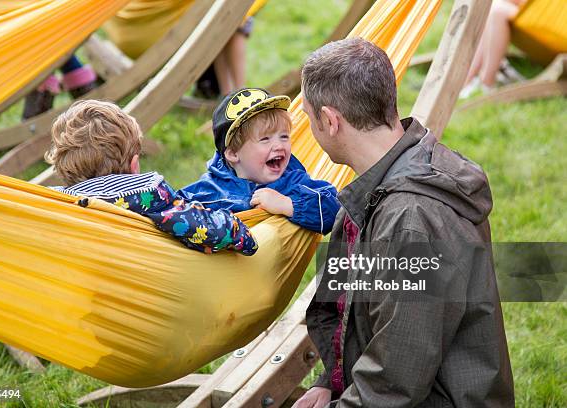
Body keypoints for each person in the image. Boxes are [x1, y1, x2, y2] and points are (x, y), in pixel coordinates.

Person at [293, 38, 514, 407]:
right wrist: (328, 382)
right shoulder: (386, 177)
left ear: (330, 121)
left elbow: (395, 383)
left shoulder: (411, 220)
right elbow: (364, 317)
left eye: (308, 115)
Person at [45, 100, 257, 256]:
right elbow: (202, 227)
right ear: (134, 164)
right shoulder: (146, 195)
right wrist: (237, 230)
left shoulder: (54, 204)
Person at [178, 88, 340, 235]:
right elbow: (173, 211)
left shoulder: (292, 181)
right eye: (265, 139)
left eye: (284, 136)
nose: (278, 145)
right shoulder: (210, 188)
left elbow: (335, 210)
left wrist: (287, 205)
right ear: (234, 154)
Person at [460, 0, 527, 98]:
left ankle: (487, 82)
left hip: (547, 17)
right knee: (490, 6)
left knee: (497, 11)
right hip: (537, 10)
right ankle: (466, 79)